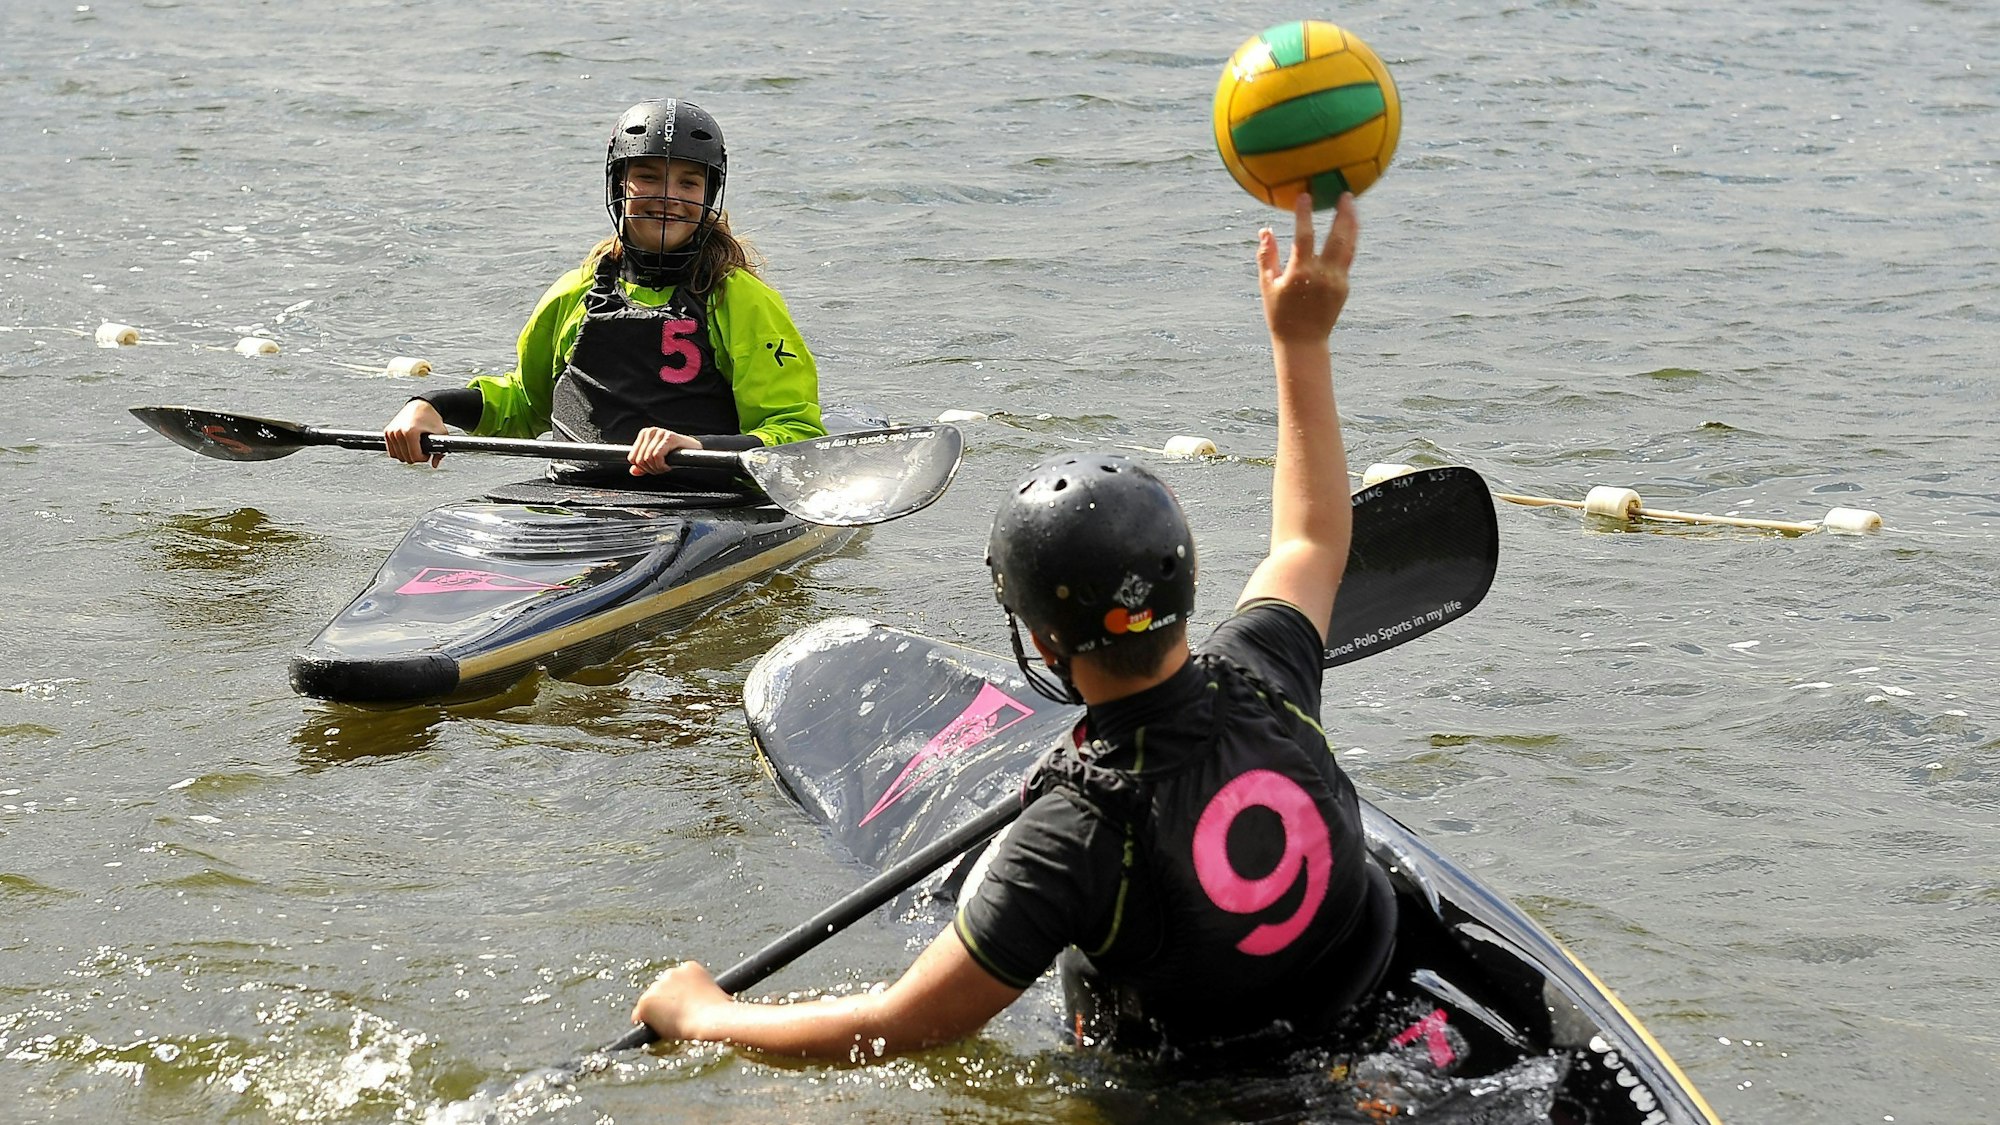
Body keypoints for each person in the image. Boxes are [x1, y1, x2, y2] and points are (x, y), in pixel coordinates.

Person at [631, 191, 1387, 1057]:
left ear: (1040, 640)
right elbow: (1313, 533)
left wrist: (702, 1015)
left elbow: (901, 1023)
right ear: (1187, 579)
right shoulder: (1265, 666)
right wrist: (1302, 340)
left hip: (1211, 1081)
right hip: (1355, 993)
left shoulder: (1070, 838)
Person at [383, 98, 824, 482]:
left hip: (704, 500)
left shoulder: (742, 300)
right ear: (618, 186)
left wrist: (697, 446)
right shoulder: (574, 292)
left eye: (688, 183)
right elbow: (527, 403)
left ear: (709, 195)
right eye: (648, 177)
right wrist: (431, 404)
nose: (668, 197)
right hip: (577, 497)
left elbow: (795, 436)